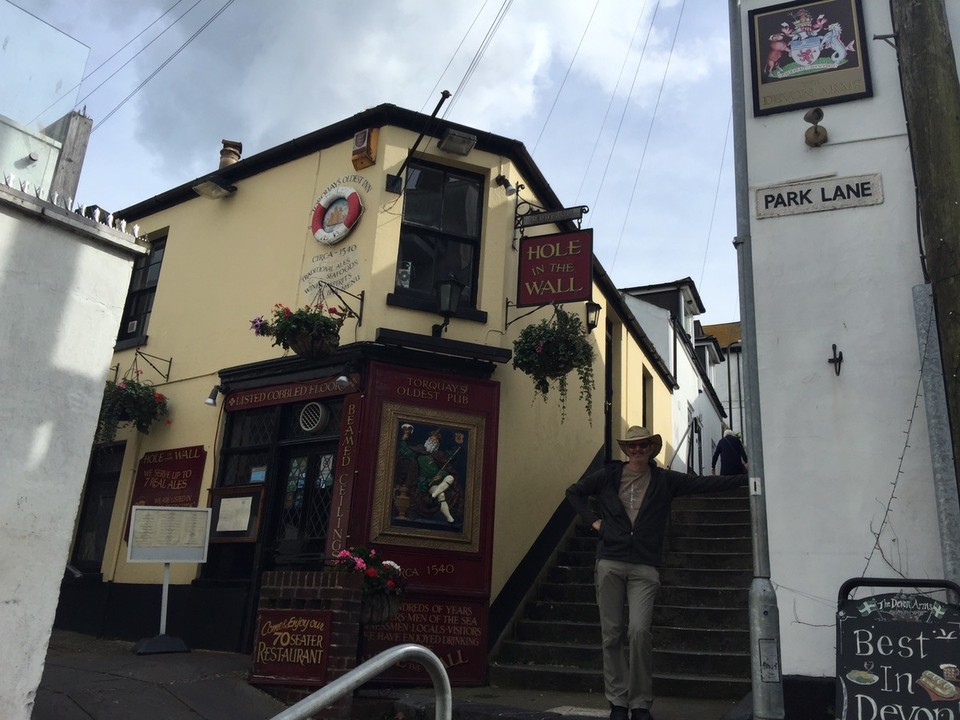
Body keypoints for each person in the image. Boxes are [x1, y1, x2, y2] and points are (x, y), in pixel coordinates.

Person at [565, 426, 748, 720]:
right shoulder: (609, 476)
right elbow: (574, 492)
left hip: (645, 565)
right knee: (611, 634)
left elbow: (703, 484)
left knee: (639, 631)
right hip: (610, 560)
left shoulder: (665, 480)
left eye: (643, 445)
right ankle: (618, 702)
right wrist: (596, 524)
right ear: (626, 450)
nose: (638, 450)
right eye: (632, 446)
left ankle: (640, 703)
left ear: (651, 448)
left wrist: (748, 478)